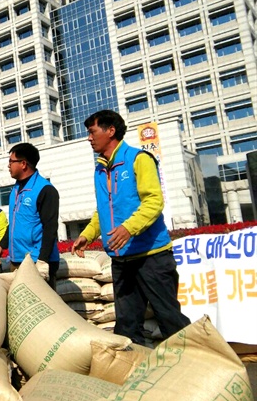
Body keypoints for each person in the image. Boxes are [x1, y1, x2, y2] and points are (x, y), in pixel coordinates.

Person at [71, 109, 190, 345]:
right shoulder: (100, 169)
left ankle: (197, 368)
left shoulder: (139, 159)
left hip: (151, 257)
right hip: (122, 260)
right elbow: (104, 210)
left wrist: (128, 229)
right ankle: (135, 374)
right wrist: (88, 234)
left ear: (111, 130)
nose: (89, 138)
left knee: (169, 319)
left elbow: (154, 202)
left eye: (92, 131)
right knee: (126, 324)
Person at [0, 143, 60, 286]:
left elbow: (50, 227)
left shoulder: (45, 190)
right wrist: (0, 247)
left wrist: (42, 261)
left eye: (11, 161)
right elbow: (16, 223)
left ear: (23, 164)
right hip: (18, 261)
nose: (8, 166)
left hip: (37, 262)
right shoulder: (15, 190)